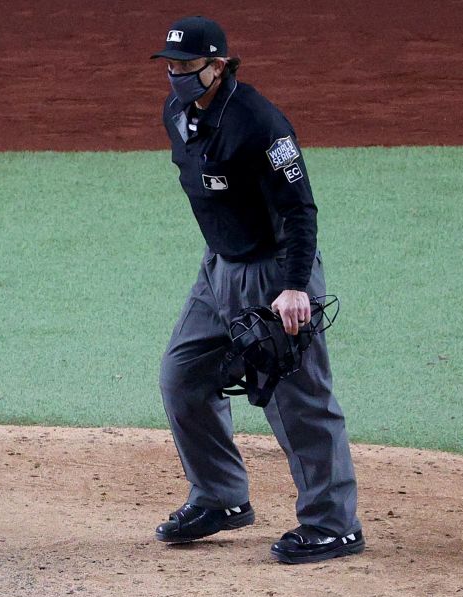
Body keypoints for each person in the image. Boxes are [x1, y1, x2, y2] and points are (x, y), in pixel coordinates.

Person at [150, 16, 363, 564]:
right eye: (169, 66)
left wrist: (294, 287)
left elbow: (300, 209)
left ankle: (333, 525)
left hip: (276, 274)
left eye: (186, 66)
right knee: (184, 375)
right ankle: (220, 497)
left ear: (217, 66)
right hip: (219, 268)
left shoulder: (262, 124)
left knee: (299, 402)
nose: (175, 75)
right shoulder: (178, 114)